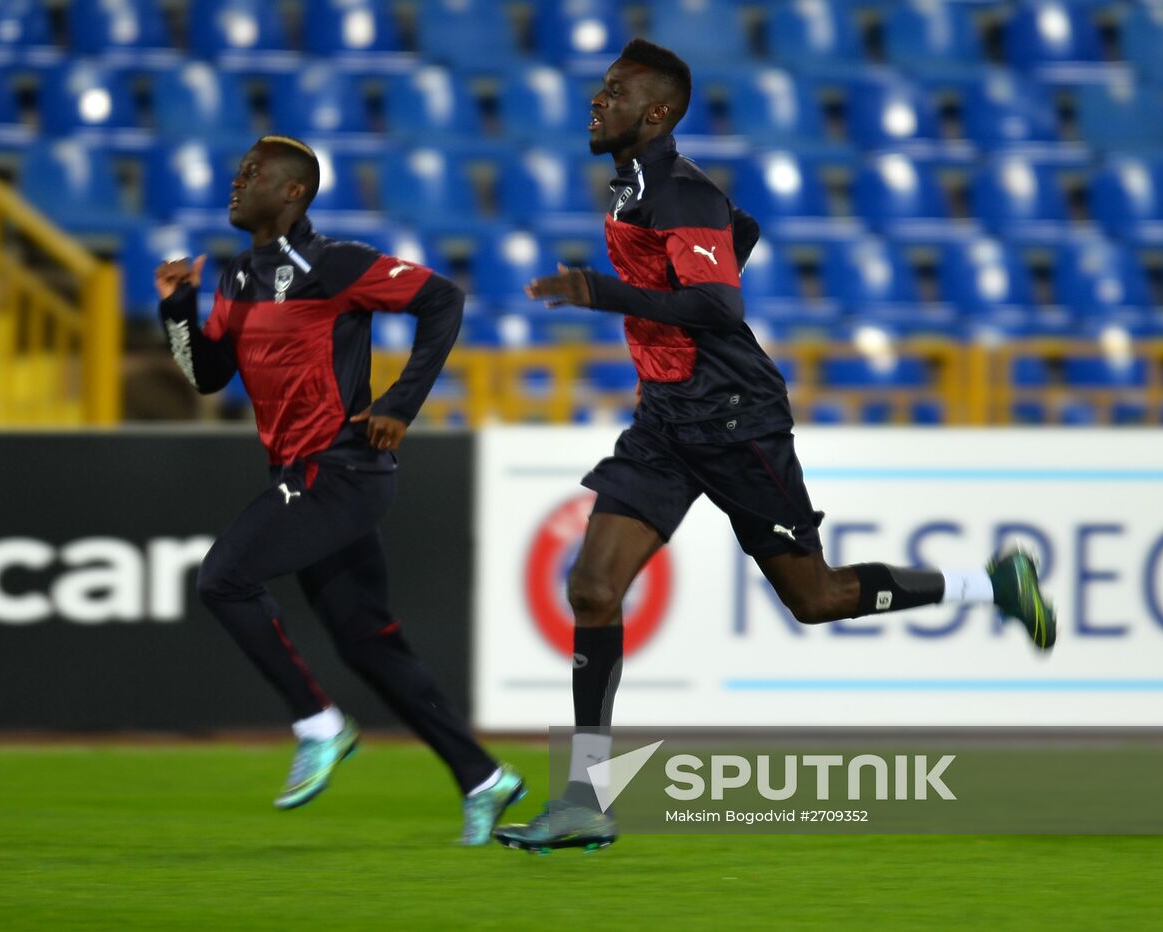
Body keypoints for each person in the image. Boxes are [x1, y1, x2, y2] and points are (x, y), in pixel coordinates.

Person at [494, 40, 1056, 853]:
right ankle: (585, 798)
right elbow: (740, 231)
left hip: (734, 422)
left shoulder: (677, 194)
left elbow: (717, 307)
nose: (595, 102)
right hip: (665, 420)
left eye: (612, 93)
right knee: (591, 589)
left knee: (816, 598)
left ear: (655, 113)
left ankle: (991, 583)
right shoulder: (642, 191)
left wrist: (600, 291)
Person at [155, 134, 524, 845]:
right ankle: (483, 777)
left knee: (223, 578)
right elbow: (206, 375)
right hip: (301, 475)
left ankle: (319, 725)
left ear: (293, 192)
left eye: (251, 174)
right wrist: (178, 307)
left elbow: (443, 300)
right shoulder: (234, 278)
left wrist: (398, 405)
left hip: (340, 469)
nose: (236, 183)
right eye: (237, 172)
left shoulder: (336, 265)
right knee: (369, 643)